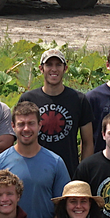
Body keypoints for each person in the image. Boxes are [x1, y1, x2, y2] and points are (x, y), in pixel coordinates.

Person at [0, 100, 70, 218]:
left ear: (40, 125)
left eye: (31, 123)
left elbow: (63, 207)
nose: (26, 129)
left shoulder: (55, 162)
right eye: (21, 124)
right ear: (13, 126)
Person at [17, 47, 94, 177]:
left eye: (58, 65)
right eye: (49, 65)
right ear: (41, 69)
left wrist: (83, 173)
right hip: (35, 170)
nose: (54, 69)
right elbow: (20, 137)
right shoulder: (28, 99)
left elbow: (87, 142)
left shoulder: (79, 100)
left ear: (65, 68)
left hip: (69, 171)